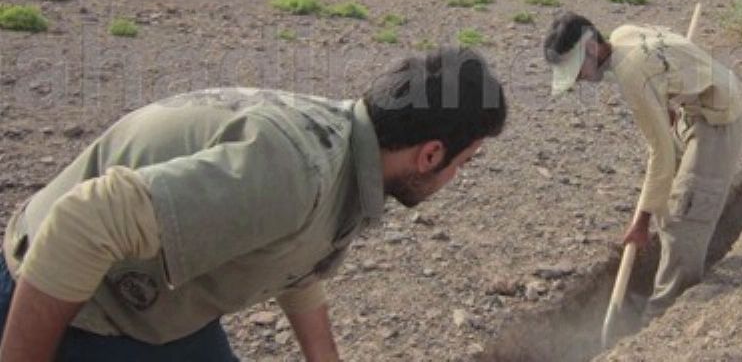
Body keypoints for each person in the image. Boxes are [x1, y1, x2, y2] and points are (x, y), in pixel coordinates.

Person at [0, 48, 506, 362]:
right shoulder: (298, 171)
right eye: (465, 163)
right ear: (431, 154)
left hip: (167, 312)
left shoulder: (354, 153)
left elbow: (295, 259)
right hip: (70, 302)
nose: (458, 176)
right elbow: (81, 224)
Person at [543, 12, 742, 319]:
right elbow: (668, 61)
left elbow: (660, 154)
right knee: (669, 207)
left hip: (717, 119)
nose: (579, 79)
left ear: (593, 48)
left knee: (686, 217)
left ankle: (665, 317)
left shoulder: (631, 74)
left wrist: (640, 223)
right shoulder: (623, 33)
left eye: (577, 70)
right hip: (695, 108)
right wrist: (665, 103)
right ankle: (662, 283)